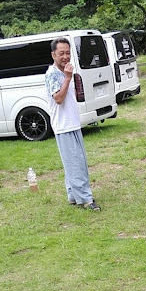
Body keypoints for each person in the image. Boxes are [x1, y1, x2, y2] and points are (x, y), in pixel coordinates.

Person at [44, 37, 101, 211]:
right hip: (63, 126)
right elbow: (58, 99)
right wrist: (68, 78)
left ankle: (73, 196)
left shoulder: (63, 72)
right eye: (61, 53)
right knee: (76, 163)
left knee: (75, 162)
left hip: (72, 124)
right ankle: (86, 199)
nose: (65, 56)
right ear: (53, 54)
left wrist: (68, 76)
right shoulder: (52, 74)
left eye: (68, 53)